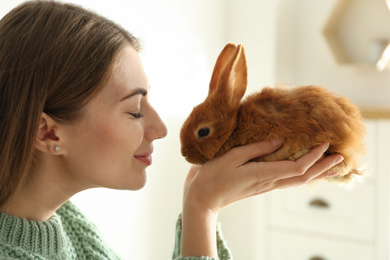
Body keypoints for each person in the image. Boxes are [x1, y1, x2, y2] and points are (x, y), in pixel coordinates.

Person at [0, 1, 343, 259]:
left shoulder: (63, 221)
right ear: (48, 134)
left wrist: (201, 204)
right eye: (134, 111)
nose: (160, 129)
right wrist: (202, 209)